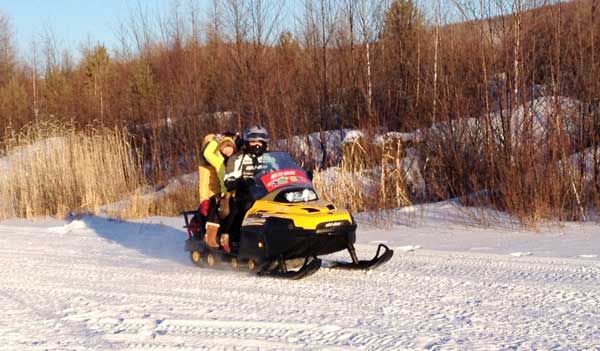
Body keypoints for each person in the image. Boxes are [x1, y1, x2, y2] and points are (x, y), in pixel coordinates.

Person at [221, 125, 270, 246]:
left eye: (260, 141)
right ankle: (233, 238)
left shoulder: (270, 157)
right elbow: (229, 179)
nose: (257, 145)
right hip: (244, 193)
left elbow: (281, 169)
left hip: (269, 192)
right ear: (247, 142)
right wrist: (242, 181)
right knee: (243, 208)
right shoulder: (238, 158)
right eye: (253, 141)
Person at [198, 132, 237, 250]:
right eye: (225, 147)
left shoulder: (237, 159)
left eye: (229, 146)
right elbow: (207, 153)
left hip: (237, 191)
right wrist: (216, 140)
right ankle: (214, 235)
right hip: (225, 193)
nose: (227, 150)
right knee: (222, 208)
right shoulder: (219, 160)